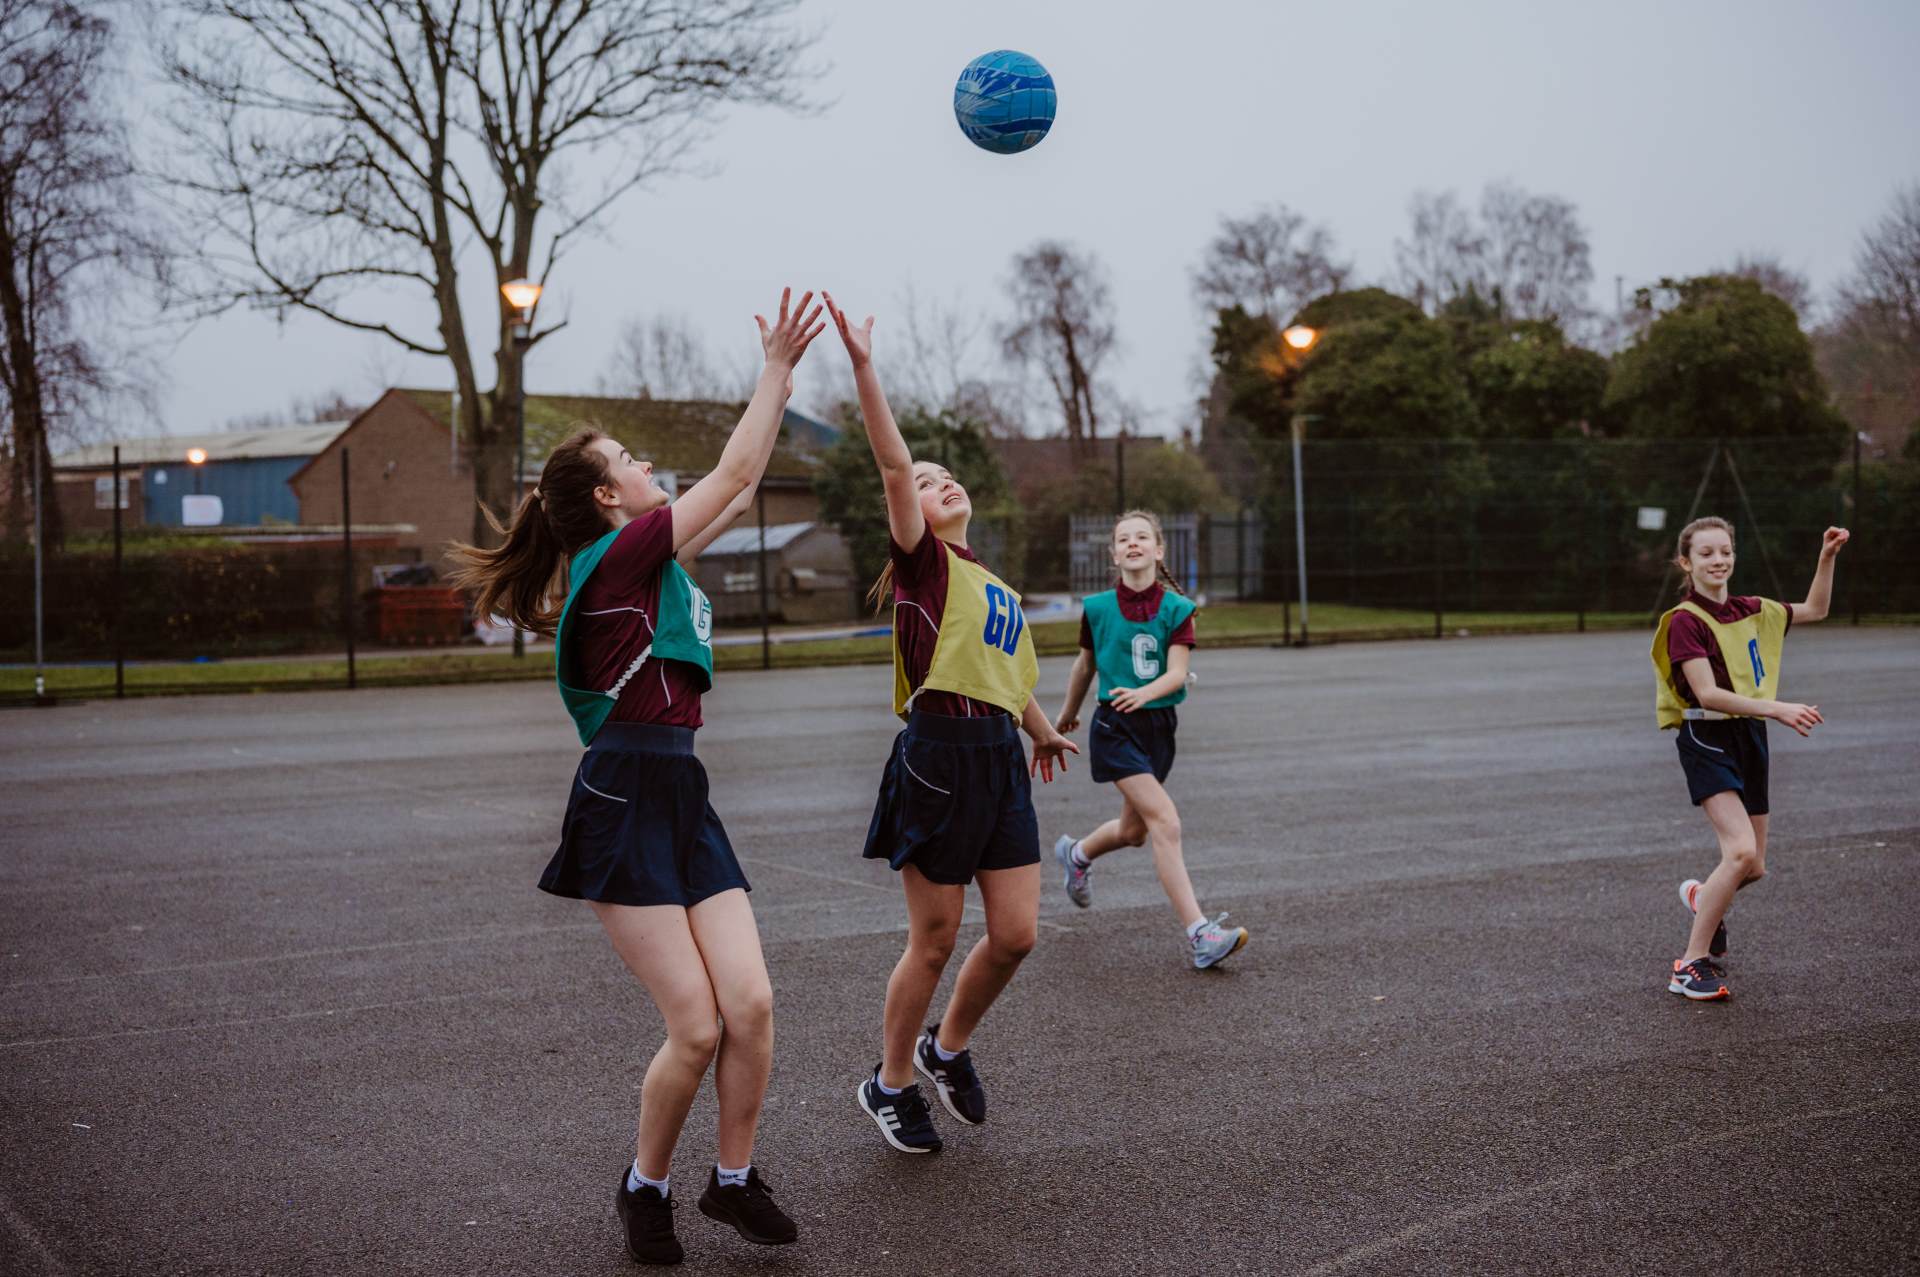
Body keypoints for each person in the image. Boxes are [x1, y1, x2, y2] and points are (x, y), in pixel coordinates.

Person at [448, 289, 824, 1263]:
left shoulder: (646, 561)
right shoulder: (610, 562)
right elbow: (736, 468)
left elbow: (740, 490)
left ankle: (732, 1179)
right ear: (609, 499)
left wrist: (780, 396)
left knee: (752, 1003)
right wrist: (776, 367)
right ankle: (644, 1185)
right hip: (621, 797)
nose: (647, 465)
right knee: (695, 1026)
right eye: (629, 461)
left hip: (682, 791)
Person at [823, 292, 1077, 1156]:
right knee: (932, 941)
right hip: (937, 760)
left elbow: (1006, 675)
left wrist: (1040, 729)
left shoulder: (993, 584)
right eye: (928, 482)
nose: (938, 482)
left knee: (1016, 933)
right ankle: (889, 1083)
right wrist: (864, 366)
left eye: (945, 476)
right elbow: (893, 468)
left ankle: (947, 1046)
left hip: (999, 755)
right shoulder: (924, 568)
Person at [1650, 516, 1849, 1001]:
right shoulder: (1684, 622)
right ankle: (1689, 966)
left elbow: (1817, 610)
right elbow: (1708, 693)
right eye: (1706, 554)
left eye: (1725, 552)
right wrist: (1778, 708)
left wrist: (1826, 557)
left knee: (1753, 866)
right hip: (1707, 737)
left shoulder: (1751, 608)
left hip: (1750, 737)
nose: (1718, 561)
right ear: (1687, 562)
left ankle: (1703, 898)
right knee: (1737, 852)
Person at [1050, 510, 1248, 969]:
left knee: (1135, 832)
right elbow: (1085, 666)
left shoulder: (1179, 610)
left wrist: (1145, 693)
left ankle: (1076, 854)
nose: (1133, 543)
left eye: (1143, 537)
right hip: (1114, 726)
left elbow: (1177, 672)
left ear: (1159, 551)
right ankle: (1200, 933)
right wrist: (1065, 715)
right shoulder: (1097, 608)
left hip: (1158, 727)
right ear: (1114, 553)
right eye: (1124, 538)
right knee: (1166, 821)